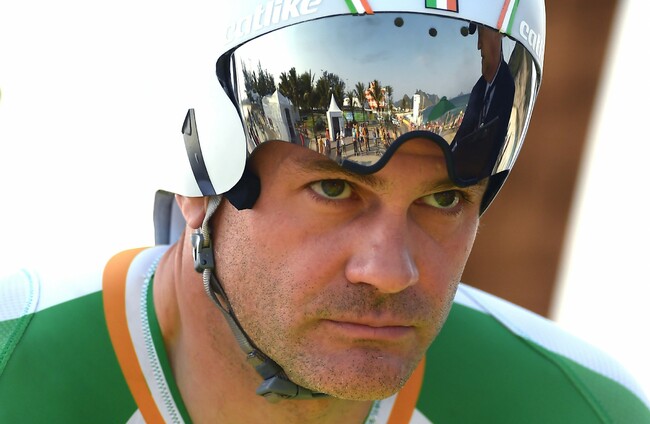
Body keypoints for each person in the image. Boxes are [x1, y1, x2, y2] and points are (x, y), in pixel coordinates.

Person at [1, 2, 649, 423]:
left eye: (443, 199)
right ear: (199, 183)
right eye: (336, 190)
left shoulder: (582, 411)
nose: (388, 272)